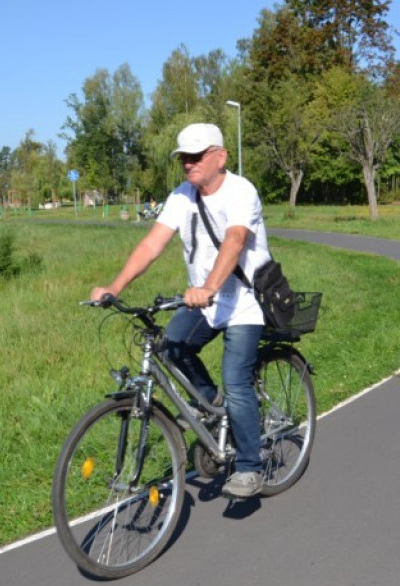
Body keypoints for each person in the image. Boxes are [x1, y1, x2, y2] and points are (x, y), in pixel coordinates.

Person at [90, 123, 269, 498]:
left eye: (196, 156)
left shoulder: (241, 191)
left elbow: (235, 241)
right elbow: (152, 244)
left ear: (220, 156)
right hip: (204, 301)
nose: (188, 164)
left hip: (244, 301)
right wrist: (114, 287)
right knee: (171, 345)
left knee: (236, 379)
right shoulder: (181, 196)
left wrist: (208, 287)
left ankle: (251, 466)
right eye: (183, 158)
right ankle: (212, 405)